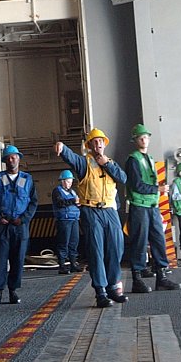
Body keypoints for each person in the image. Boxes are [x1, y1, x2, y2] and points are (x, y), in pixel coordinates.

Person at [55, 128, 128, 308]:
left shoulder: (111, 163)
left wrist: (107, 164)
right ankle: (101, 292)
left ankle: (113, 286)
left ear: (104, 144)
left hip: (110, 209)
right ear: (89, 145)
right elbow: (71, 158)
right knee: (96, 250)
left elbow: (123, 178)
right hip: (91, 210)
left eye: (100, 141)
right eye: (94, 142)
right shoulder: (84, 163)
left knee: (116, 247)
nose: (98, 144)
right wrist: (62, 148)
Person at [124, 124, 181, 293]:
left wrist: (157, 190)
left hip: (152, 206)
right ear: (135, 140)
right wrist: (158, 189)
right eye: (140, 137)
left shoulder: (149, 158)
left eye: (146, 137)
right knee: (139, 242)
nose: (144, 140)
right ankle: (137, 279)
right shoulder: (133, 160)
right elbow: (137, 184)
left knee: (158, 240)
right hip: (139, 206)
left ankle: (161, 277)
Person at [0, 144, 38, 304]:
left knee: (18, 259)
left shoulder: (27, 180)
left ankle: (13, 291)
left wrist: (23, 219)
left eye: (14, 157)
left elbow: (33, 202)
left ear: (19, 159)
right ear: (5, 161)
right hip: (2, 226)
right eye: (8, 158)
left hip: (19, 226)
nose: (11, 160)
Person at [52, 169, 82, 274]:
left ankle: (73, 264)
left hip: (74, 219)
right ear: (63, 181)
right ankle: (62, 265)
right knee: (63, 242)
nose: (70, 184)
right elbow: (60, 202)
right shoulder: (57, 191)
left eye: (71, 182)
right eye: (68, 181)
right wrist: (74, 201)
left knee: (74, 242)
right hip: (64, 220)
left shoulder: (72, 192)